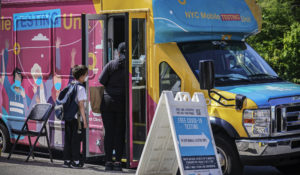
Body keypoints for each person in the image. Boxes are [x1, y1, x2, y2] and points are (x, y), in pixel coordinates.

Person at [99, 42, 126, 171]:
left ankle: (108, 162)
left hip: (108, 102)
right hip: (122, 103)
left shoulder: (111, 64)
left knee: (109, 132)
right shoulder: (129, 66)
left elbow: (101, 80)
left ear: (118, 52)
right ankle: (118, 163)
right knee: (119, 133)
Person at [63, 65, 88, 168]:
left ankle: (67, 160)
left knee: (68, 139)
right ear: (81, 76)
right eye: (86, 75)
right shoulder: (81, 88)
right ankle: (76, 162)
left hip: (68, 117)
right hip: (77, 119)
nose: (87, 77)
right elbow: (81, 105)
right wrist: (85, 121)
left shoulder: (71, 84)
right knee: (76, 140)